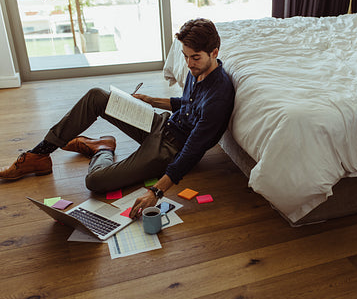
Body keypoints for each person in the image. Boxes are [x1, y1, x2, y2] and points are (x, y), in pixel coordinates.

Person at [0, 18, 235, 219]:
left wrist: (156, 192)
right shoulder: (199, 70)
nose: (188, 64)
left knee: (96, 182)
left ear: (214, 53)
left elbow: (192, 151)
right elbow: (188, 104)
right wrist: (150, 100)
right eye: (185, 56)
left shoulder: (219, 97)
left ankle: (101, 149)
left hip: (169, 150)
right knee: (97, 97)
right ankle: (39, 154)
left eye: (195, 58)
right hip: (162, 124)